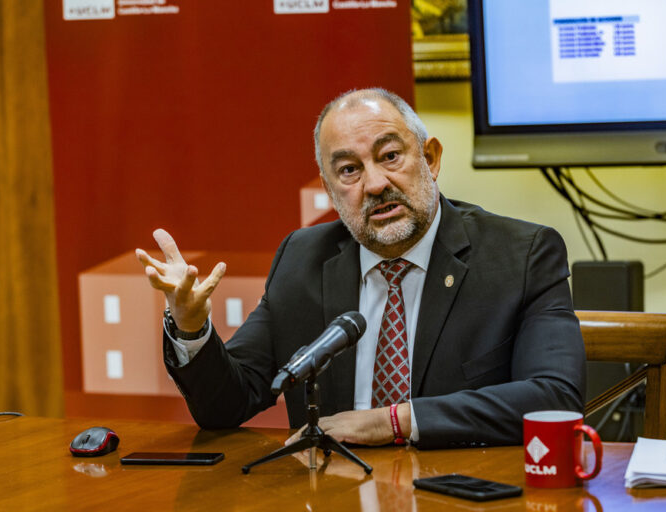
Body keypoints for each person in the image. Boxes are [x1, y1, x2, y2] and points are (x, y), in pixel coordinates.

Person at [136, 88, 585, 449]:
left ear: (430, 158)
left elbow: (554, 397)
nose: (375, 184)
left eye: (390, 156)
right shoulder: (303, 258)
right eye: (349, 170)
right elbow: (227, 405)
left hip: (464, 493)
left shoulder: (520, 254)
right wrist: (191, 327)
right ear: (331, 192)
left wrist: (394, 421)